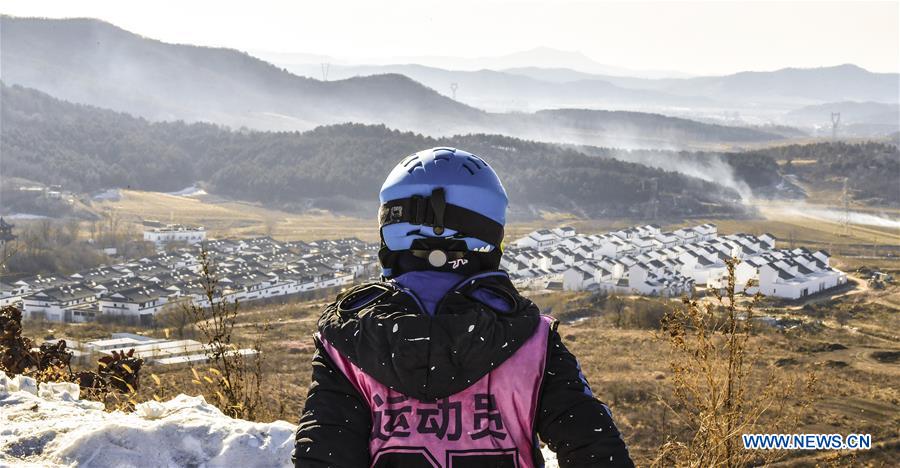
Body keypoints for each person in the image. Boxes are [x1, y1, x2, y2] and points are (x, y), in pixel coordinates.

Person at [293, 148, 633, 467]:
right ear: (489, 232)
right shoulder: (534, 342)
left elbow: (323, 456)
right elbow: (596, 451)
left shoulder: (348, 341)